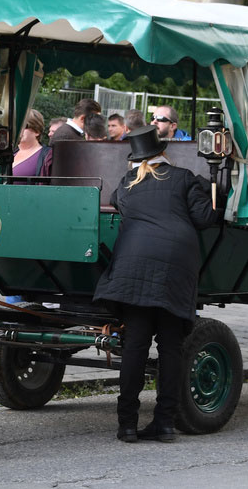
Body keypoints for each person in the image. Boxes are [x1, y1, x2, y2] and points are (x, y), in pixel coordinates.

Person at [93, 126, 218, 443]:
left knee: (135, 346)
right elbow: (205, 218)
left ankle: (127, 424)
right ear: (164, 153)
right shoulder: (184, 178)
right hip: (176, 266)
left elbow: (114, 201)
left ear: (135, 159)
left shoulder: (127, 185)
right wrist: (213, 187)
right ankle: (164, 423)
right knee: (171, 348)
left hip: (135, 266)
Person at [11, 109, 49, 178]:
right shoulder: (9, 153)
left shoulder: (47, 156)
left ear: (37, 131)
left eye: (24, 126)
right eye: (16, 126)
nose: (18, 130)